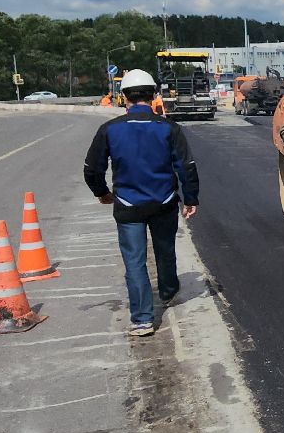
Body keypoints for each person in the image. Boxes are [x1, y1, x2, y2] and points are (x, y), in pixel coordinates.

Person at [83, 68, 199, 337]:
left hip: (127, 204)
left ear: (124, 97)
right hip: (164, 202)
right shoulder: (168, 128)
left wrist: (101, 192)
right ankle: (168, 291)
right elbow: (187, 166)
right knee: (165, 251)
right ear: (153, 95)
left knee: (134, 262)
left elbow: (92, 168)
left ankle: (142, 319)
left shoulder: (109, 130)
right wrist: (191, 198)